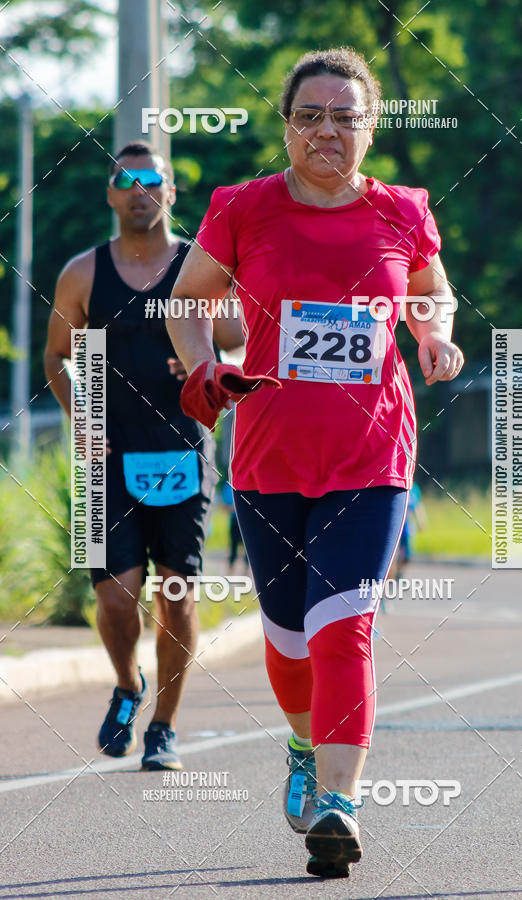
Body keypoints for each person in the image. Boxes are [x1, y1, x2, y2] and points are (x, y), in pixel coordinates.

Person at [167, 48, 464, 877]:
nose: (326, 131)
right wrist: (200, 367)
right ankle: (302, 744)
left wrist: (434, 334)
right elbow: (188, 303)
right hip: (267, 457)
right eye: (309, 116)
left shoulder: (403, 211)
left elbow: (430, 292)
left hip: (373, 453)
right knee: (289, 637)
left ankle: (341, 802)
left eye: (345, 116)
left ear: (369, 127)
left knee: (346, 628)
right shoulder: (243, 209)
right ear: (287, 126)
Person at [44, 142, 243, 770]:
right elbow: (56, 356)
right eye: (125, 180)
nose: (139, 190)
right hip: (108, 458)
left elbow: (240, 343)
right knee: (115, 597)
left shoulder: (200, 267)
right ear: (111, 194)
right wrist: (82, 418)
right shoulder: (82, 274)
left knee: (178, 595)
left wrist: (213, 367)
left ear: (171, 193)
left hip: (182, 449)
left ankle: (164, 727)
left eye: (151, 179)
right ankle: (129, 685)